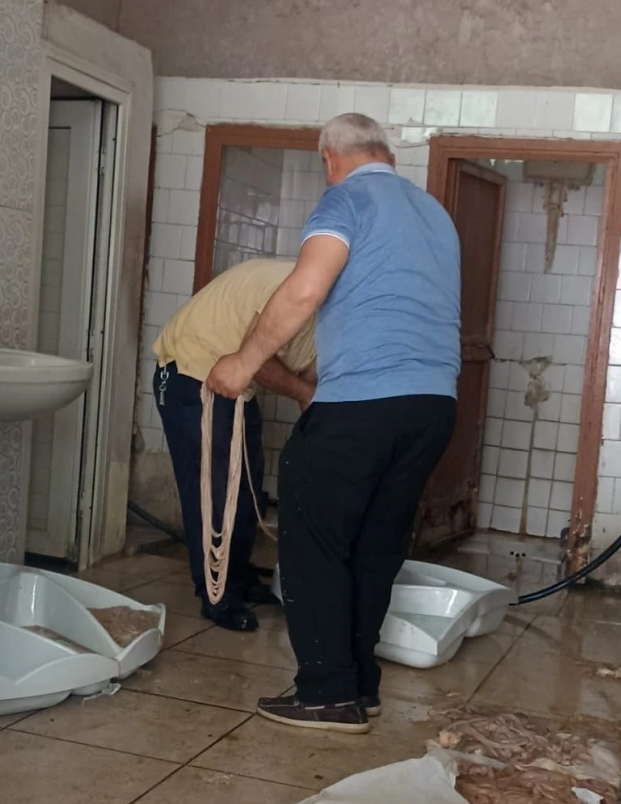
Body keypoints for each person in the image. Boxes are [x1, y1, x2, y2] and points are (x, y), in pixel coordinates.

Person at [207, 113, 460, 731]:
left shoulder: (346, 199)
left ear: (330, 157)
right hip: (433, 406)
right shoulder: (434, 214)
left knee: (314, 538)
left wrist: (243, 362)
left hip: (363, 403)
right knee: (375, 546)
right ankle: (359, 685)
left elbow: (305, 290)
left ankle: (325, 691)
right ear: (386, 154)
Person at [153, 258, 316, 633]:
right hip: (193, 370)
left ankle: (238, 578)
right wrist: (305, 393)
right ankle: (217, 595)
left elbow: (311, 377)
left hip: (235, 382)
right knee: (214, 490)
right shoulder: (297, 292)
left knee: (246, 484)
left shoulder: (329, 314)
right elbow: (261, 364)